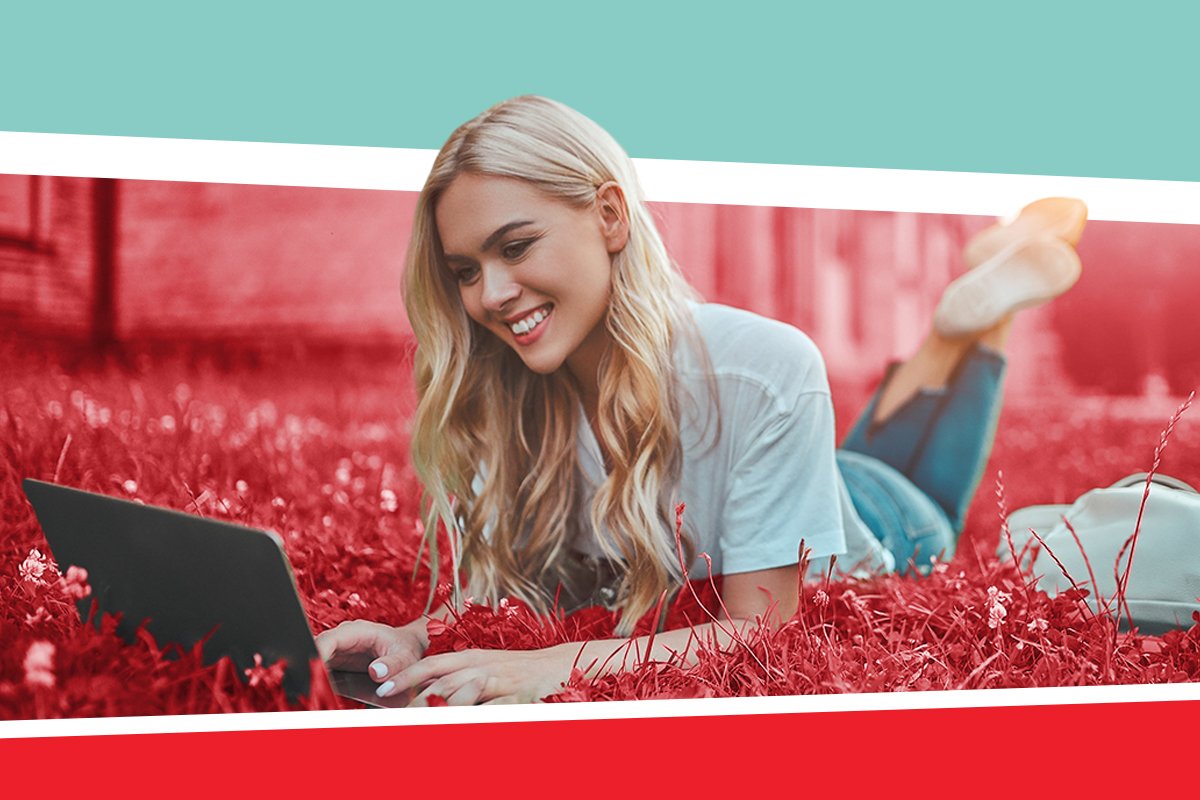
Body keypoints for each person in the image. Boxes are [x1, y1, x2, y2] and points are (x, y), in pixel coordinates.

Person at [315, 95, 1088, 705]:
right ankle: (967, 309)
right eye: (465, 270)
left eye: (515, 248)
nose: (491, 294)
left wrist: (552, 665)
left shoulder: (761, 366)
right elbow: (505, 588)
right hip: (787, 481)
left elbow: (758, 630)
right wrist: (411, 638)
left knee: (936, 511)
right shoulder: (502, 393)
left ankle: (988, 320)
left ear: (611, 217)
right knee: (855, 451)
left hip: (875, 521)